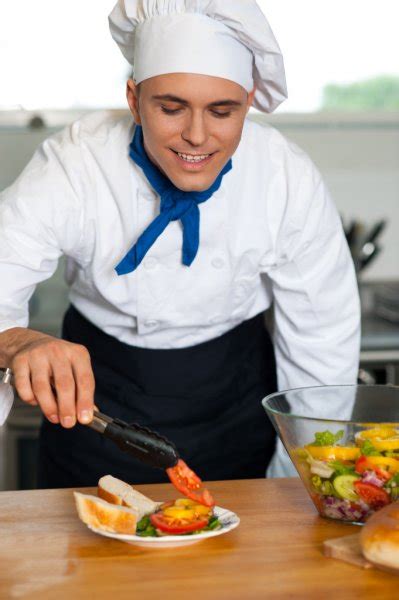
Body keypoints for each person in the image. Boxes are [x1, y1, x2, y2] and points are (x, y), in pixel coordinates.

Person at [0, 0, 360, 487]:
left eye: (222, 110)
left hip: (235, 410)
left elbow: (323, 338)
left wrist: (304, 477)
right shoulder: (75, 164)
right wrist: (19, 340)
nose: (196, 135)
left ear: (248, 103)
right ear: (133, 100)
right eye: (171, 108)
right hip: (95, 413)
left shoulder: (283, 176)